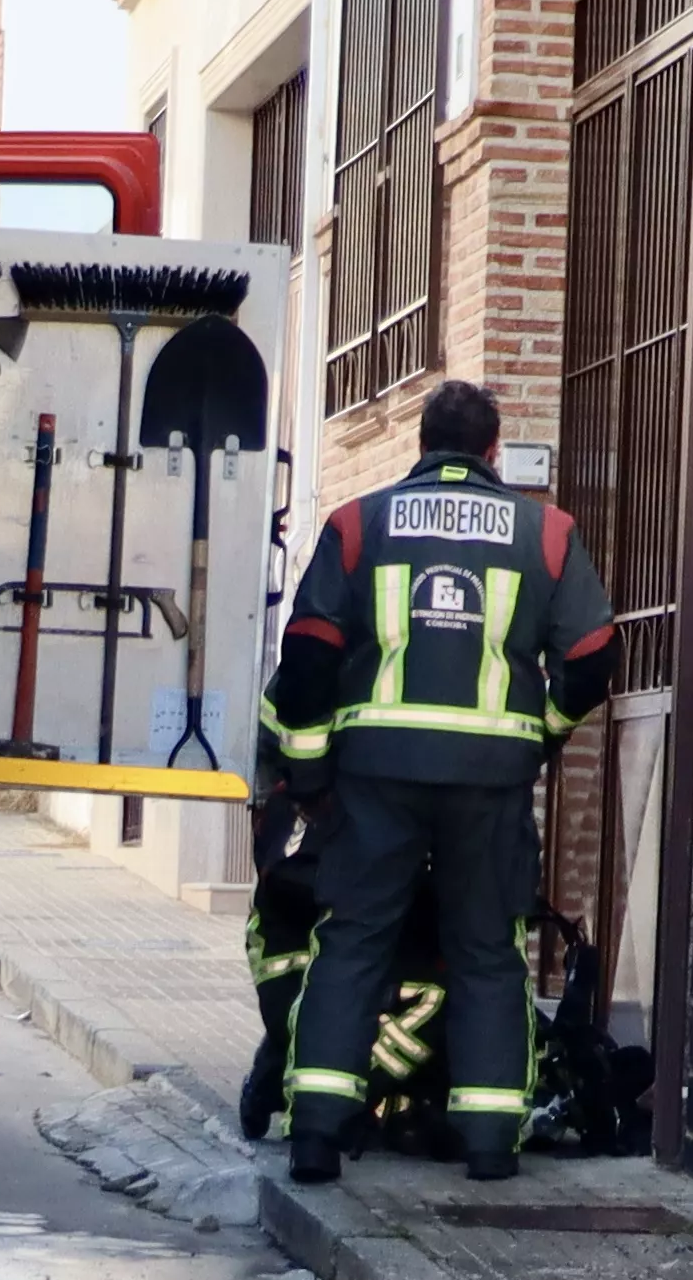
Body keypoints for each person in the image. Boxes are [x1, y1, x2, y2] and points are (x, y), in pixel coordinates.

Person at [257, 378, 615, 1184]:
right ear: (493, 451)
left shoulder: (357, 524)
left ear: (420, 445)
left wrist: (310, 780)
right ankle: (490, 1145)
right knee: (487, 951)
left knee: (351, 942)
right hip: (491, 780)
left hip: (374, 776)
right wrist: (543, 736)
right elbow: (593, 658)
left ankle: (316, 1134)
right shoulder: (547, 532)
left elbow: (307, 658)